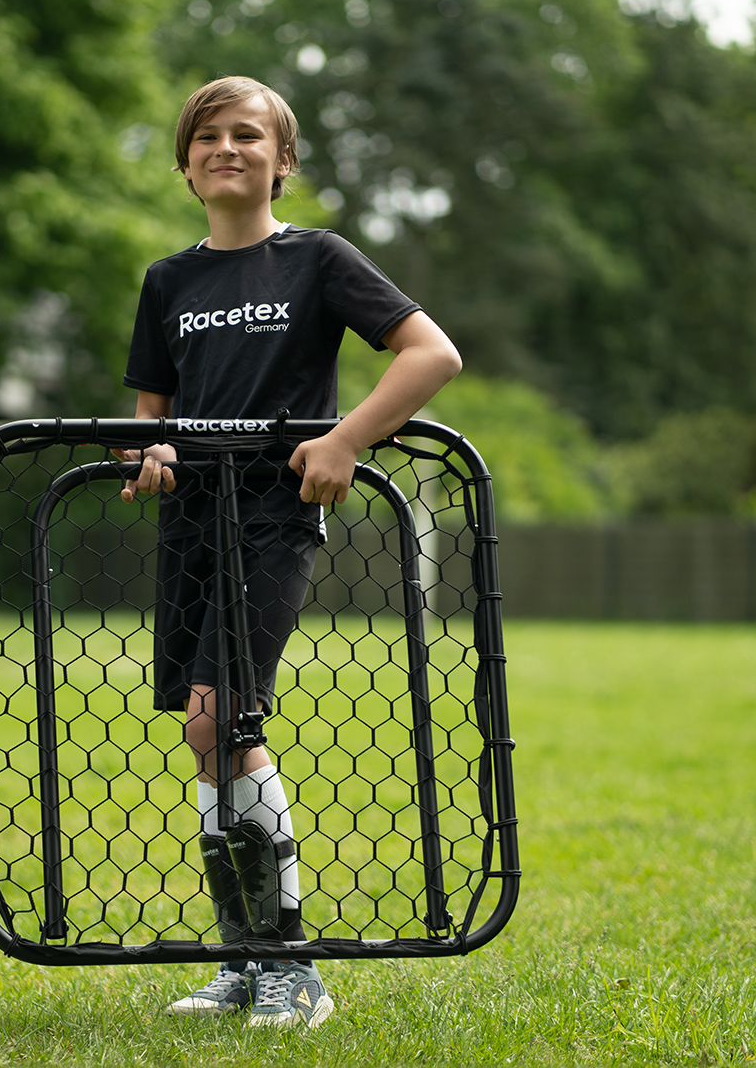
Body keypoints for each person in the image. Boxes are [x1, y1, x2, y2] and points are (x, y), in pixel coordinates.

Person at [114, 75, 461, 1030]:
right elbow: (145, 418)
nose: (227, 149)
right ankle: (244, 961)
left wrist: (346, 439)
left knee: (226, 719)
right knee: (203, 732)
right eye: (208, 138)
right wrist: (148, 453)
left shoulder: (316, 261)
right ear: (186, 165)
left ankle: (291, 964)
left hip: (271, 521)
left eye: (247, 136)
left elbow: (431, 353)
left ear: (283, 160)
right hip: (192, 530)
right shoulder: (167, 282)